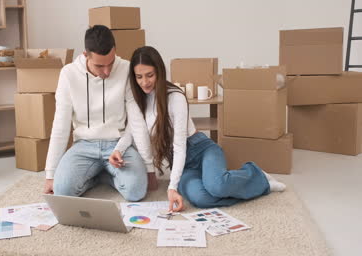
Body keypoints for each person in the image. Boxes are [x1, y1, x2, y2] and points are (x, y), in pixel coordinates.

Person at [109, 46, 286, 211]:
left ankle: (256, 176)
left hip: (200, 150)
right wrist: (118, 149)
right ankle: (235, 181)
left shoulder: (175, 97)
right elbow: (132, 131)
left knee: (217, 187)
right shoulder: (139, 100)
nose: (144, 82)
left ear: (159, 73)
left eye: (150, 75)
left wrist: (171, 187)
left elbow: (179, 145)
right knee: (201, 199)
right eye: (139, 77)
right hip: (184, 165)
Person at [43, 25, 157, 201]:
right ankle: (96, 177)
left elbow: (137, 119)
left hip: (119, 145)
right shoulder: (68, 74)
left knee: (136, 191)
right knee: (62, 191)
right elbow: (60, 125)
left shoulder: (126, 69)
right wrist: (50, 174)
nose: (107, 71)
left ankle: (104, 176)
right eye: (99, 66)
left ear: (115, 51)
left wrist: (149, 168)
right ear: (85, 55)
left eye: (110, 63)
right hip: (83, 145)